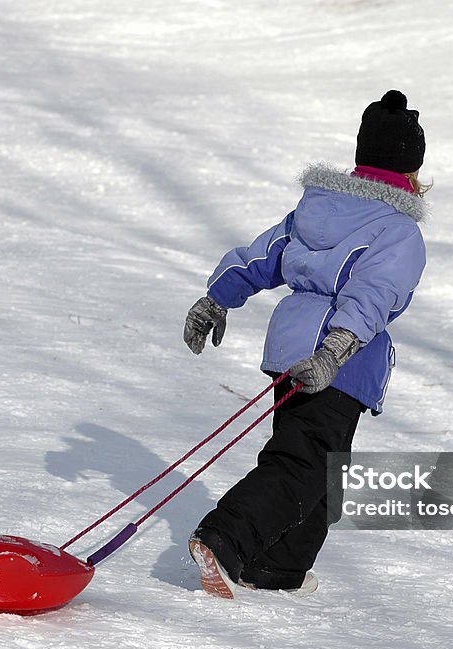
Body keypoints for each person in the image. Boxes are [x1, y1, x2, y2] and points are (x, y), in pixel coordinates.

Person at [183, 90, 430, 598]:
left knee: (319, 472)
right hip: (335, 360)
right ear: (411, 172)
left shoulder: (318, 208)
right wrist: (335, 352)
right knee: (302, 466)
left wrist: (217, 299)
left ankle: (279, 569)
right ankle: (224, 538)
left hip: (292, 344)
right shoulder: (398, 231)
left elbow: (264, 255)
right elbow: (374, 294)